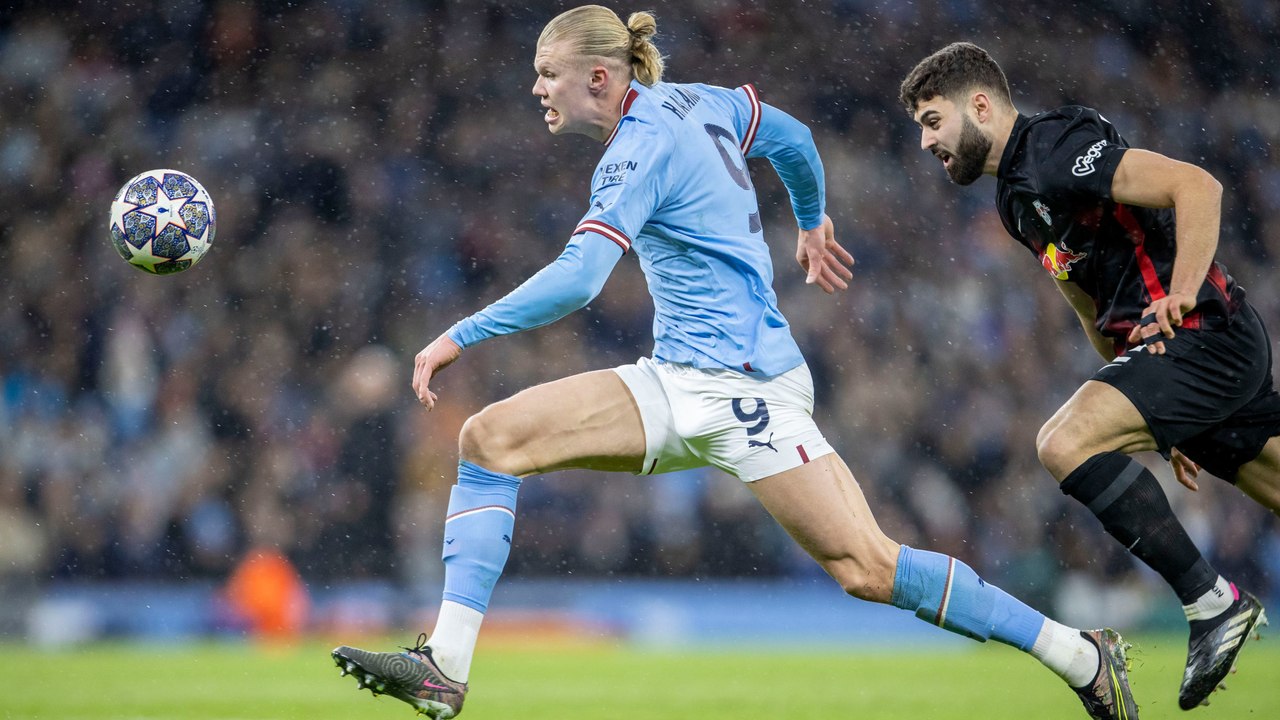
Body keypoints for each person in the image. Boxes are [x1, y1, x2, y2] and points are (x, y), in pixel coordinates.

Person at [332, 9, 1137, 719]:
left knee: (868, 566)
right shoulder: (703, 101)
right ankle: (445, 666)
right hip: (675, 376)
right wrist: (812, 220)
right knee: (489, 439)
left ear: (599, 77)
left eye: (548, 74)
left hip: (748, 387)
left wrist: (457, 336)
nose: (536, 89)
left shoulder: (637, 147)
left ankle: (1080, 656)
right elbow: (792, 137)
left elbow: (579, 282)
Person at [899, 41, 1274, 711]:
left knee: (1063, 442)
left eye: (933, 121)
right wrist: (1154, 416)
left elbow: (1197, 186)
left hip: (1204, 332)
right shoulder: (1015, 204)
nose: (926, 142)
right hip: (1178, 355)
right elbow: (1091, 309)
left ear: (979, 104)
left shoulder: (1053, 146)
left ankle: (1214, 604)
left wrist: (1182, 293)